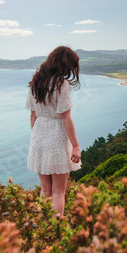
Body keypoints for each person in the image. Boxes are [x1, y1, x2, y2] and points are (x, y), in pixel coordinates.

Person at [26, 45, 81, 218]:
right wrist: (76, 146)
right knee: (58, 192)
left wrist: (38, 137)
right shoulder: (61, 83)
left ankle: (43, 227)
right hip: (57, 137)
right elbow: (66, 118)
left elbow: (33, 115)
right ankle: (56, 230)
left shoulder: (36, 81)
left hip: (38, 135)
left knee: (45, 189)